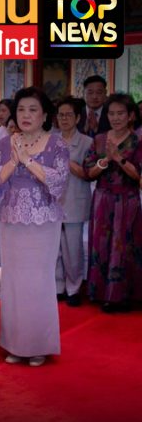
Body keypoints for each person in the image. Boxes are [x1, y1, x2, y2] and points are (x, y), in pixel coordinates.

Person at [0, 86, 69, 367]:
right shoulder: (4, 144)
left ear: (45, 115)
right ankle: (15, 344)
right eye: (21, 109)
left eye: (33, 109)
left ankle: (38, 345)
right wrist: (13, 161)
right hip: (11, 220)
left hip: (43, 221)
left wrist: (28, 160)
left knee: (39, 281)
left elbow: (58, 181)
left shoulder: (57, 145)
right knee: (14, 281)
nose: (26, 115)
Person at [82, 93, 142, 313]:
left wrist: (119, 158)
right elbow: (89, 172)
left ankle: (120, 296)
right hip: (103, 198)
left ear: (131, 115)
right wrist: (106, 160)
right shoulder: (99, 139)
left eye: (121, 113)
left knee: (124, 245)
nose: (116, 118)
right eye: (112, 113)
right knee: (101, 245)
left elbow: (138, 175)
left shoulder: (137, 140)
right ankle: (100, 293)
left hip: (127, 199)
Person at [54, 98, 93, 306]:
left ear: (78, 118)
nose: (64, 119)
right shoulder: (51, 140)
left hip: (74, 200)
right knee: (55, 248)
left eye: (69, 115)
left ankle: (74, 288)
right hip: (53, 201)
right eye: (61, 115)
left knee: (73, 249)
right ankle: (58, 286)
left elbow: (88, 173)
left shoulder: (87, 142)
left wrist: (66, 160)